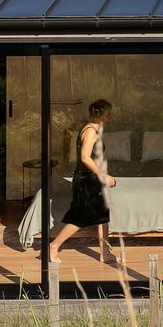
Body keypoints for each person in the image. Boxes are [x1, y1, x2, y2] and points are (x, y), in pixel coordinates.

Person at [46, 99, 117, 262]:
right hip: (86, 180)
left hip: (93, 179)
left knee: (103, 215)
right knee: (81, 217)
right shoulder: (91, 130)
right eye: (108, 113)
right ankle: (54, 246)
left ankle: (105, 253)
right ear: (100, 113)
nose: (109, 116)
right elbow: (85, 158)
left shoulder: (95, 129)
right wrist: (103, 175)